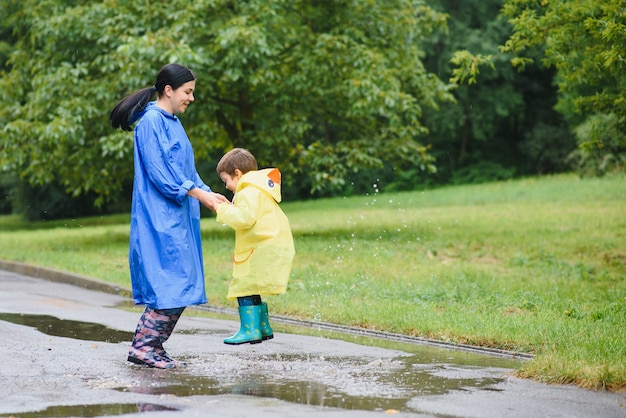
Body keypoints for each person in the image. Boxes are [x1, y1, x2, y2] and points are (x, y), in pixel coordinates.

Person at [109, 63, 228, 369]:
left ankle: (155, 347)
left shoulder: (172, 121)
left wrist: (208, 193)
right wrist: (197, 193)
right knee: (171, 284)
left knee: (182, 282)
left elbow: (185, 170)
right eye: (188, 92)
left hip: (178, 216)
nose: (191, 98)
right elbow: (162, 175)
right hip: (159, 218)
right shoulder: (150, 122)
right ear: (169, 90)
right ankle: (143, 347)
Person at [215, 148, 295, 345]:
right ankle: (262, 327)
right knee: (252, 286)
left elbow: (244, 218)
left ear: (237, 173)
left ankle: (250, 330)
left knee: (243, 286)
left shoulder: (248, 192)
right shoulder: (259, 190)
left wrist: (221, 208)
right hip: (270, 244)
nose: (227, 186)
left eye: (227, 181)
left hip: (260, 247)